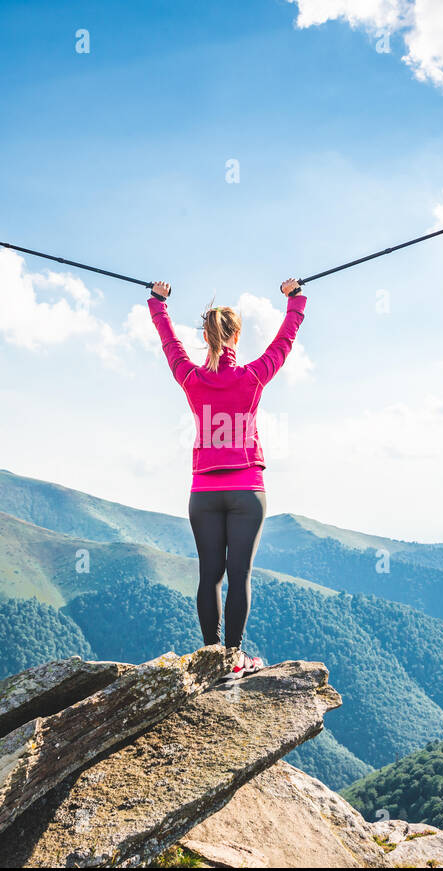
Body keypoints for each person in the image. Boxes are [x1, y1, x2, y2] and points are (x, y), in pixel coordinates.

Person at [148, 277, 307, 677]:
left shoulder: (190, 377)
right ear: (236, 335)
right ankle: (234, 657)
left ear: (206, 336)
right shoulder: (252, 377)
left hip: (203, 492)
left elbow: (171, 345)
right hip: (248, 490)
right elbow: (284, 344)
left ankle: (212, 658)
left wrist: (158, 303)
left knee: (209, 576)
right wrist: (295, 300)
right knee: (239, 576)